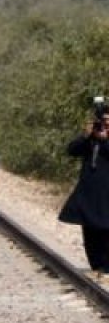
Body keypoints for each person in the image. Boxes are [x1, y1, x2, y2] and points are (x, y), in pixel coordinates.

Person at [59, 110, 109, 279]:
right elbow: (72, 150)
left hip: (106, 195)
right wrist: (87, 136)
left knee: (106, 230)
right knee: (90, 232)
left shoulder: (104, 140)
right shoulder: (91, 139)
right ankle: (96, 266)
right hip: (88, 193)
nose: (106, 124)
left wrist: (104, 141)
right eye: (103, 120)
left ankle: (106, 267)